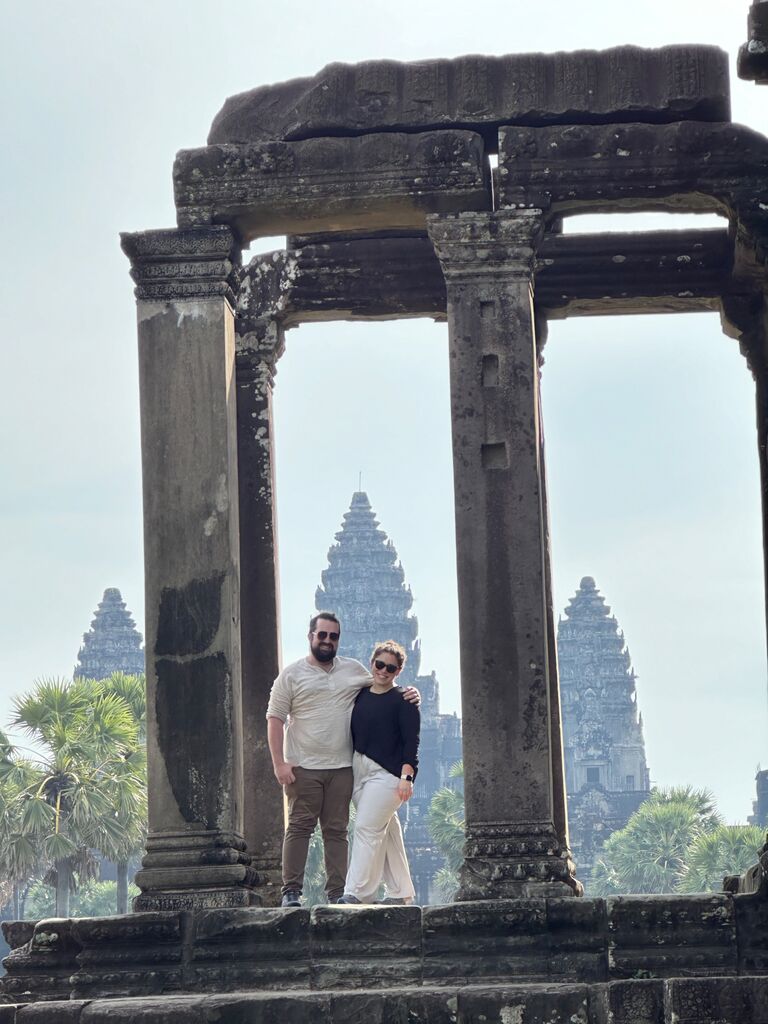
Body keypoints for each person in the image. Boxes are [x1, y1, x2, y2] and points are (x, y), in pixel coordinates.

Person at [266, 612, 419, 908]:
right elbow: (274, 718)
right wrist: (279, 763)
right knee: (300, 827)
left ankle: (340, 893)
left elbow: (383, 688)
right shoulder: (291, 674)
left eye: (333, 636)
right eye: (321, 634)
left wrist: (410, 693)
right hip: (303, 766)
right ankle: (291, 892)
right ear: (311, 636)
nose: (327, 640)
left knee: (338, 831)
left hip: (343, 768)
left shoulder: (354, 670)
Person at [338, 640, 419, 906]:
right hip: (359, 772)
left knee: (365, 827)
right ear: (372, 663)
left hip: (389, 776)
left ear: (399, 671)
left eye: (391, 668)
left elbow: (411, 743)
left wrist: (407, 778)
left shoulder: (404, 700)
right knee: (387, 831)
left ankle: (357, 893)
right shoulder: (359, 694)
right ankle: (400, 892)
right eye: (379, 664)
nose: (383, 671)